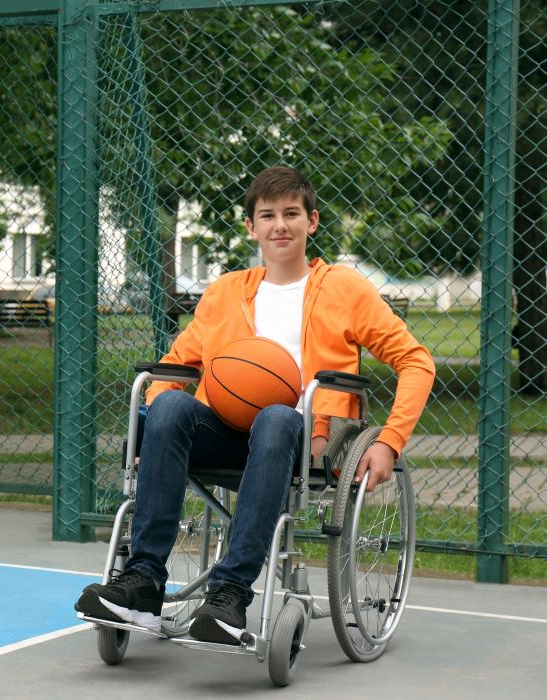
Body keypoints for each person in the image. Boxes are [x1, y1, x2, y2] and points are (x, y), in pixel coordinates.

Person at [74, 166, 435, 644]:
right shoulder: (227, 291)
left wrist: (389, 441)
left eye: (291, 213)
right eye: (267, 215)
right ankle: (143, 582)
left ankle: (229, 593)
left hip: (301, 440)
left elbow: (416, 361)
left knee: (277, 417)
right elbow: (172, 367)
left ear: (312, 221)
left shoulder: (345, 289)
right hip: (226, 432)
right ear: (251, 226)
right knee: (168, 408)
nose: (279, 225)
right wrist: (156, 436)